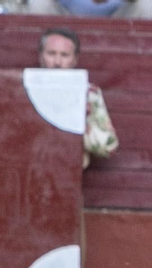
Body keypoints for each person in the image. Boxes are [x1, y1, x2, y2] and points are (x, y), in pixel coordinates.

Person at [38, 27, 120, 168]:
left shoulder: (88, 93)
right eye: (51, 53)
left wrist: (78, 124)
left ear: (75, 60)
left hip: (68, 174)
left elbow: (109, 145)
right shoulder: (20, 89)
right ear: (41, 57)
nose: (57, 62)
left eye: (64, 55)